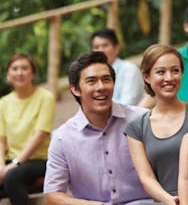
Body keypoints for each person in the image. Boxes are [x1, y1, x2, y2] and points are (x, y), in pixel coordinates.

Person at [44, 52, 151, 204]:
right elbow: (53, 194)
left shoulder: (142, 120)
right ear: (75, 89)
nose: (100, 87)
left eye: (106, 80)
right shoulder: (62, 138)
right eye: (91, 81)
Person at [125, 45, 188, 205]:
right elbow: (146, 178)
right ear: (147, 77)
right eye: (161, 72)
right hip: (167, 201)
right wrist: (172, 200)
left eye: (175, 71)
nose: (169, 78)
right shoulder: (136, 127)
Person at [0, 54, 55, 205]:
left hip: (40, 160)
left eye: (24, 68)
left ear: (33, 73)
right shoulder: (4, 102)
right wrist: (1, 166)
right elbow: (1, 140)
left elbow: (40, 135)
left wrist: (14, 164)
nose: (19, 73)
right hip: (11, 159)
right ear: (8, 74)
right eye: (15, 69)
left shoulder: (45, 97)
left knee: (12, 176)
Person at [92, 28, 144, 106]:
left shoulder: (129, 70)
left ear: (117, 48)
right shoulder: (92, 73)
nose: (100, 50)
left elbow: (127, 105)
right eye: (96, 47)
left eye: (105, 45)